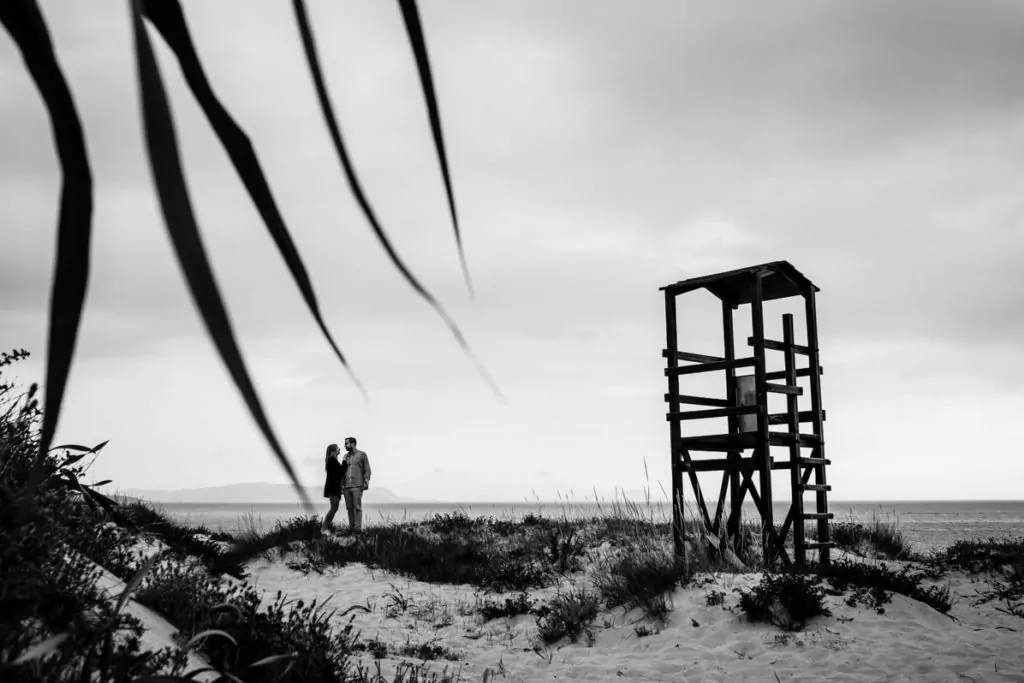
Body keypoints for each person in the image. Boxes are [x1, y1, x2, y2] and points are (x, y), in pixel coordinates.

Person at [341, 436, 371, 533]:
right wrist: (341, 485)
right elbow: (342, 472)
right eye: (345, 443)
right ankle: (351, 528)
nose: (345, 445)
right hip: (346, 486)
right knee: (349, 509)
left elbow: (367, 469)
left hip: (357, 485)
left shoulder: (362, 455)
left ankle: (357, 529)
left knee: (357, 508)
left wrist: (366, 481)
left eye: (347, 443)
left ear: (353, 444)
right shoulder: (345, 457)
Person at [321, 443, 346, 534]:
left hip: (334, 488)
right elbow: (341, 472)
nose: (339, 450)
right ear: (333, 451)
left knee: (334, 508)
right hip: (333, 488)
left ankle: (325, 528)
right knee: (333, 508)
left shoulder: (332, 461)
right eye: (338, 448)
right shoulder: (332, 460)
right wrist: (344, 462)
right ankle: (324, 528)